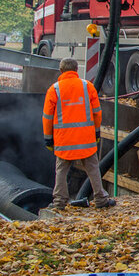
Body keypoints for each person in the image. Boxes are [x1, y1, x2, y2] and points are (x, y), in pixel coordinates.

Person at [42, 57, 116, 210]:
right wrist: (96, 133)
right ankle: (101, 199)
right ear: (76, 70)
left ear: (61, 71)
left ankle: (59, 203)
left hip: (64, 140)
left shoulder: (54, 89)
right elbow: (97, 113)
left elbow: (47, 117)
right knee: (93, 168)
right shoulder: (87, 87)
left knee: (61, 170)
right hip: (86, 139)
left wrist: (48, 139)